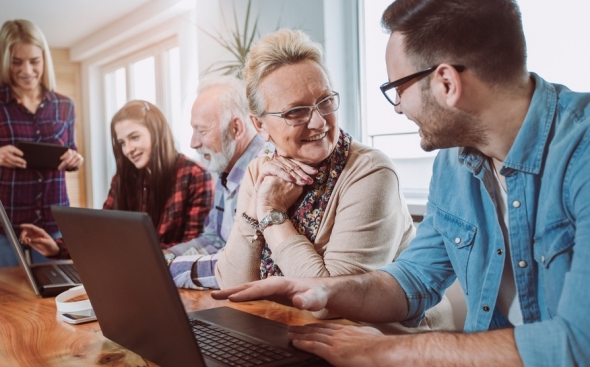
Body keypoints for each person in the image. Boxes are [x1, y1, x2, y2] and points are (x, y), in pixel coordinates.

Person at [212, 0, 590, 365]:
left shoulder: (582, 154)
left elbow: (579, 344)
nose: (397, 107)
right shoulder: (454, 161)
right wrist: (323, 289)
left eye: (399, 88)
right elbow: (414, 279)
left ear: (446, 83)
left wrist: (386, 351)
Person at [208, 29, 452, 331]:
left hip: (392, 344)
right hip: (295, 335)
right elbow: (233, 288)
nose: (319, 121)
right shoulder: (261, 171)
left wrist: (271, 212)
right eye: (296, 112)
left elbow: (329, 303)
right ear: (259, 125)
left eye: (325, 101)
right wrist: (253, 210)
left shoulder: (370, 172)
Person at [20, 100, 214, 258]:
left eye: (134, 137)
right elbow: (103, 232)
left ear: (157, 133)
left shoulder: (194, 176)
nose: (128, 149)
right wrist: (56, 247)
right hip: (130, 272)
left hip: (176, 277)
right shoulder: (122, 179)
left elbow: (194, 246)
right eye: (122, 142)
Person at [0, 19, 84, 269]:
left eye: (34, 61)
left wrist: (75, 160)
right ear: (6, 61)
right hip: (1, 227)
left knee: (53, 301)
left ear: (44, 59)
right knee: (3, 304)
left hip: (53, 227)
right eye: (17, 62)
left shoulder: (64, 105)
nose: (27, 70)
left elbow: (71, 151)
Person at [166, 76, 266, 288]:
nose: (193, 143)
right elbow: (214, 240)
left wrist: (170, 269)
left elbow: (247, 267)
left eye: (202, 131)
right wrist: (165, 256)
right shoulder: (226, 166)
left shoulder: (264, 173)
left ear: (236, 129)